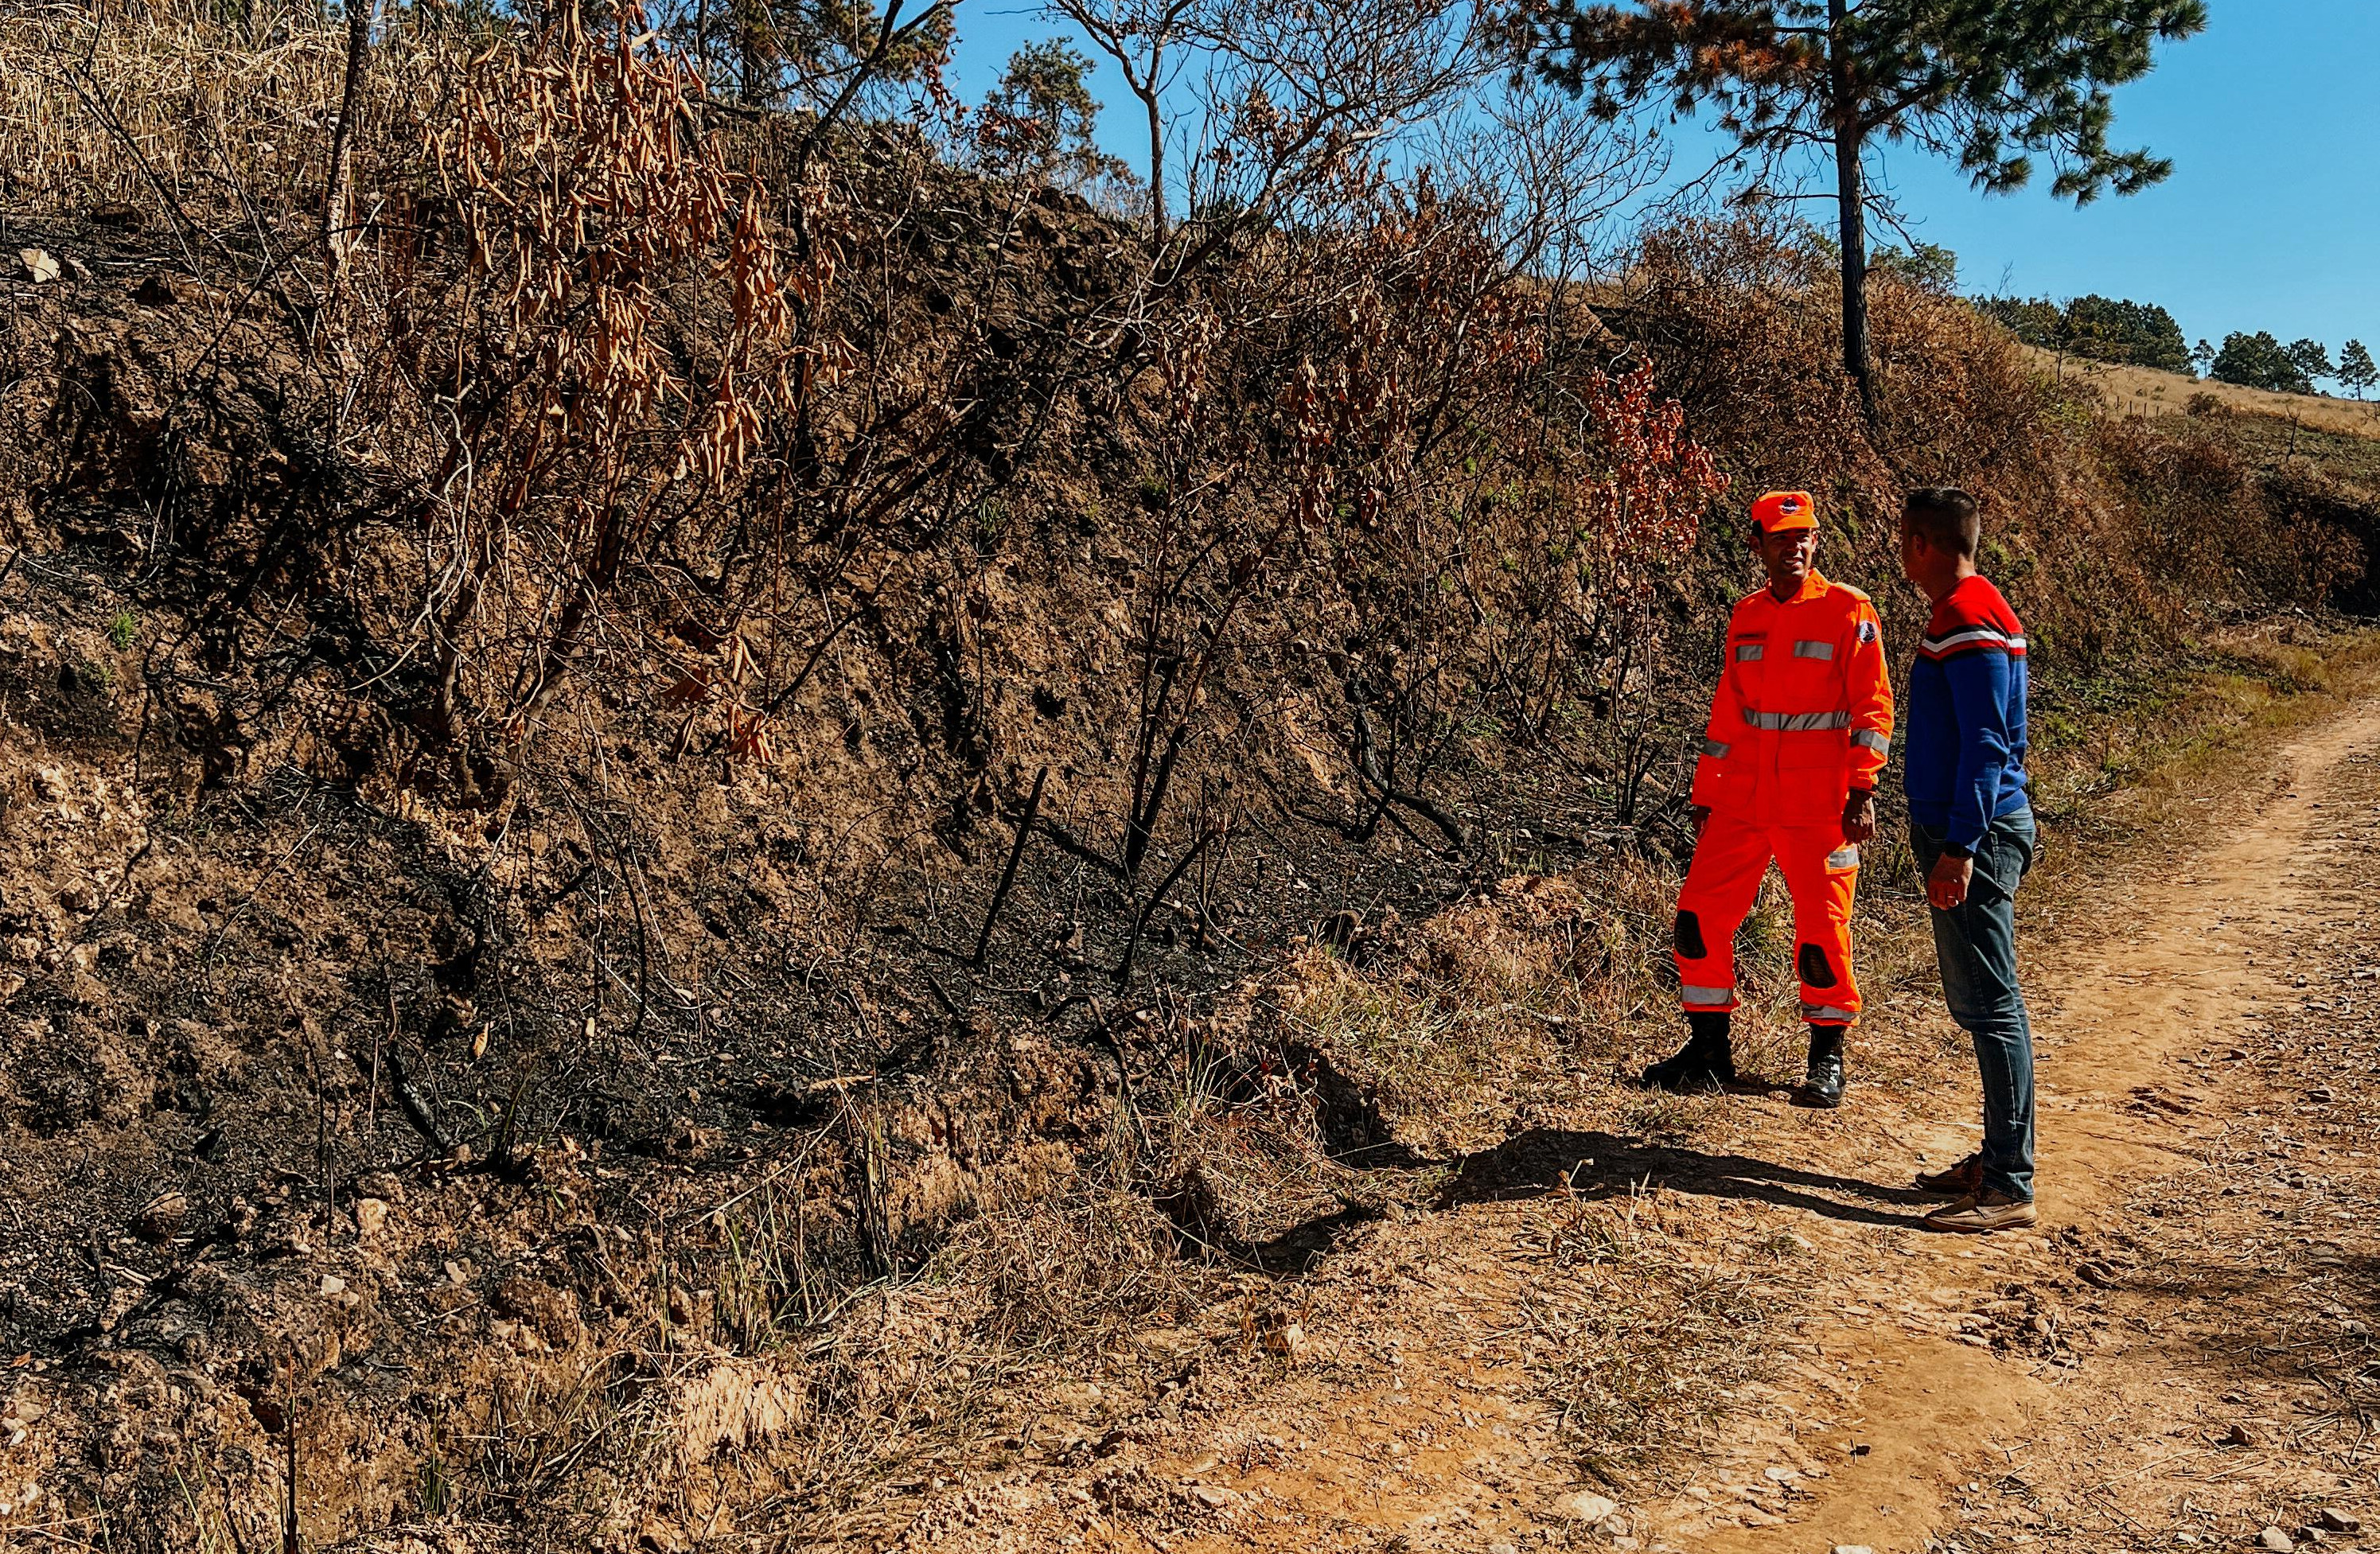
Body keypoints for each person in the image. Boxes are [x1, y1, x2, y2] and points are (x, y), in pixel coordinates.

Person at [1643, 490, 1893, 1107]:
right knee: (1696, 922)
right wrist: (1707, 792)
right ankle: (1708, 1051)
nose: (1795, 547)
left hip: (1821, 808)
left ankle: (1826, 1058)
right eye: (1781, 538)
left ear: (1817, 542)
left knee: (1820, 936)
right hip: (1742, 804)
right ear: (1756, 545)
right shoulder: (1747, 613)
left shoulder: (1848, 609)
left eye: (1804, 536)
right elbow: (1729, 711)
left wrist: (1863, 787)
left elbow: (1873, 707)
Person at [1896, 487, 2039, 1233]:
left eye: (1901, 538)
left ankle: (2009, 1183)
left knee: (1992, 1007)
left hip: (1972, 835)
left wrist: (1960, 846)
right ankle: (1995, 1158)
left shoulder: (1968, 615)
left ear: (1922, 543)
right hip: (1967, 829)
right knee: (1983, 1005)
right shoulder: (1976, 608)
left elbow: (1987, 742)